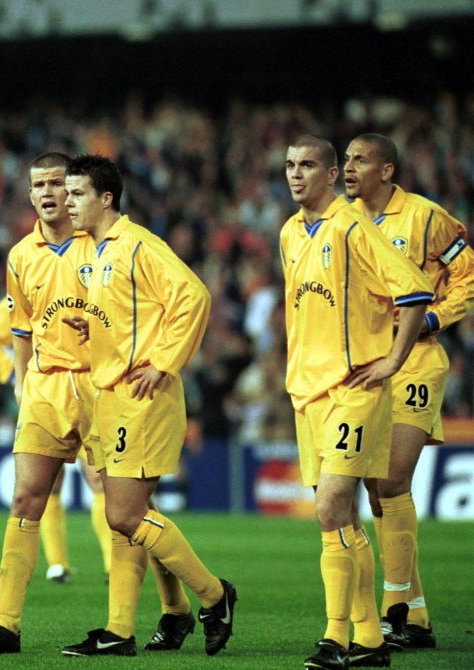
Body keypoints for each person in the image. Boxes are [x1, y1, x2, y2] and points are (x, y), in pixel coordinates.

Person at [0, 153, 193, 657]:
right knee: (26, 497)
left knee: (129, 508)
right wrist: (20, 380)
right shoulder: (21, 256)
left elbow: (147, 312)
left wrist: (155, 360)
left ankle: (171, 610)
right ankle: (5, 624)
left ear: (72, 192)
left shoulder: (106, 246)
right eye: (37, 186)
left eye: (55, 184)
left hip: (102, 386)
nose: (47, 194)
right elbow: (18, 329)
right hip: (46, 388)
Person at [57, 154, 236, 658]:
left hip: (142, 395)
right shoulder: (93, 250)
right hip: (108, 395)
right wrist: (90, 330)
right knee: (132, 512)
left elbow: (193, 297)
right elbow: (128, 318)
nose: (67, 202)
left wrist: (164, 362)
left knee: (124, 513)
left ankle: (215, 597)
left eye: (76, 193)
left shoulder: (138, 245)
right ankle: (134, 625)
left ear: (105, 198)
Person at [281, 135, 434, 670]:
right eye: (289, 166)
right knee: (341, 515)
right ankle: (368, 641)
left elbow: (415, 292)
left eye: (307, 166)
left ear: (329, 176)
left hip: (356, 389)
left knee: (329, 507)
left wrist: (392, 360)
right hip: (308, 394)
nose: (295, 175)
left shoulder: (354, 228)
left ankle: (334, 636)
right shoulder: (289, 232)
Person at [344, 133, 474, 650]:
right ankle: (415, 618)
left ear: (388, 171)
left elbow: (467, 274)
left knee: (393, 479)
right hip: (364, 365)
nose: (349, 168)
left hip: (416, 362)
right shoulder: (342, 219)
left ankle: (394, 609)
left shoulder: (425, 217)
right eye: (347, 159)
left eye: (360, 160)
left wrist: (437, 316)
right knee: (376, 488)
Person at [0, 295, 113, 585]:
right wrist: (13, 373)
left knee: (100, 479)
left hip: (91, 392)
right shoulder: (30, 293)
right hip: (45, 397)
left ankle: (113, 565)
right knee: (48, 482)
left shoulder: (91, 282)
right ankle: (57, 564)